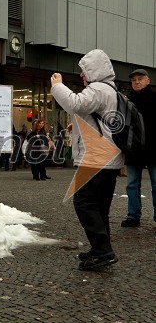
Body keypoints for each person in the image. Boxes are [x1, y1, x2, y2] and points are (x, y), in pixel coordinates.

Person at [50, 49, 123, 271]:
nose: (82, 75)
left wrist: (57, 86)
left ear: (94, 69)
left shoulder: (98, 89)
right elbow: (100, 120)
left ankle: (103, 251)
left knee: (83, 202)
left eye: (84, 70)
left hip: (97, 158)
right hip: (108, 159)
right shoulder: (112, 90)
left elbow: (74, 104)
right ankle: (101, 250)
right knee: (100, 208)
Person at [121, 69, 156, 227]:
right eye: (134, 79)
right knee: (131, 184)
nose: (137, 81)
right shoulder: (127, 102)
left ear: (148, 81)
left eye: (140, 78)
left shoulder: (155, 99)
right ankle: (133, 216)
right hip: (133, 148)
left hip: (154, 148)